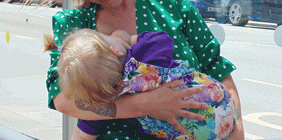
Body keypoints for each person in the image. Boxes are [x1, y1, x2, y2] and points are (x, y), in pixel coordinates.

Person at [41, 0, 244, 139]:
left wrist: (237, 132)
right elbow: (63, 98)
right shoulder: (75, 27)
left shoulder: (173, 6)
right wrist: (146, 104)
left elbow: (217, 70)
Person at [44, 28, 236, 140]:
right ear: (116, 50)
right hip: (221, 104)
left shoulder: (100, 108)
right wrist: (125, 39)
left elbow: (81, 136)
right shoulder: (145, 55)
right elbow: (163, 37)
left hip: (196, 135)